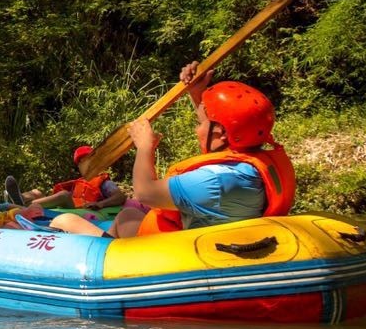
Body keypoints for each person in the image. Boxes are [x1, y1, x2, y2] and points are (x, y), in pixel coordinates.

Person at [50, 62, 296, 238]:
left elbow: (145, 193)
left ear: (220, 134)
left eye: (200, 124)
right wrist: (197, 92)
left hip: (169, 255)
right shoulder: (247, 165)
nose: (196, 130)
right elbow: (218, 141)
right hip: (204, 238)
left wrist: (144, 147)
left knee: (64, 220)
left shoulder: (216, 183)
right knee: (126, 218)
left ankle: (101, 246)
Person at [10, 145, 127, 211]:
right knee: (36, 191)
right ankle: (18, 199)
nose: (83, 164)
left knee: (64, 195)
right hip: (71, 205)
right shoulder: (79, 182)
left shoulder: (103, 182)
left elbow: (120, 197)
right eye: (80, 162)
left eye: (86, 160)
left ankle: (21, 206)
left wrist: (101, 204)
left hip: (82, 209)